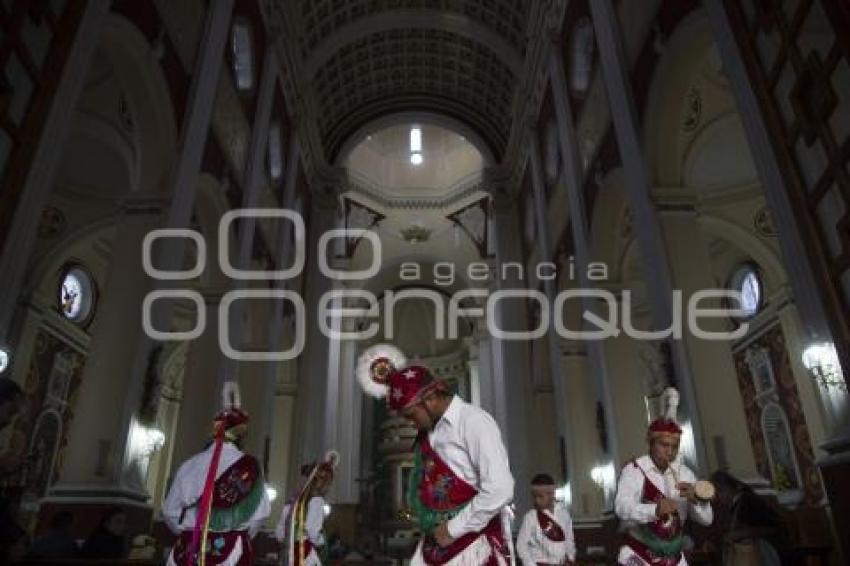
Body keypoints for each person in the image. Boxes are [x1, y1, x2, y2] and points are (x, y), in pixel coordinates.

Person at [357, 345, 515, 565]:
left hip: (471, 545)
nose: (411, 423)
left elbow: (500, 488)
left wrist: (452, 529)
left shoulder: (474, 422)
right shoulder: (429, 433)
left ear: (430, 398)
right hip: (434, 542)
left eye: (412, 416)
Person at [163, 383, 271, 565]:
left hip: (187, 549)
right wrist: (238, 534)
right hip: (229, 551)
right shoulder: (250, 467)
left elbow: (169, 511)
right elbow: (260, 514)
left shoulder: (189, 465)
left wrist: (191, 530)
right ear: (242, 436)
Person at [614, 388, 713, 565]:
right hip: (640, 555)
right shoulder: (634, 470)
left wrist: (696, 499)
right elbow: (622, 508)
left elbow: (707, 520)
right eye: (664, 445)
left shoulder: (685, 473)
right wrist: (655, 510)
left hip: (675, 557)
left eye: (674, 446)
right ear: (650, 443)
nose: (670, 451)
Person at [709, 470, 785, 565]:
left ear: (725, 489)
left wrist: (740, 534)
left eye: (717, 494)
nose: (717, 499)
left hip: (767, 553)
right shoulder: (738, 502)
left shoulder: (747, 500)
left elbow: (772, 528)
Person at [275, 453, 338, 566]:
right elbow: (312, 531)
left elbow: (279, 532)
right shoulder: (317, 501)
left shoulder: (292, 501)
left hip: (288, 555)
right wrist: (322, 541)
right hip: (304, 554)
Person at [516, 473, 576, 565]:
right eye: (534, 496)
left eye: (540, 496)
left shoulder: (564, 514)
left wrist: (571, 557)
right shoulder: (530, 517)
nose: (536, 500)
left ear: (551, 493)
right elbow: (521, 545)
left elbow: (569, 538)